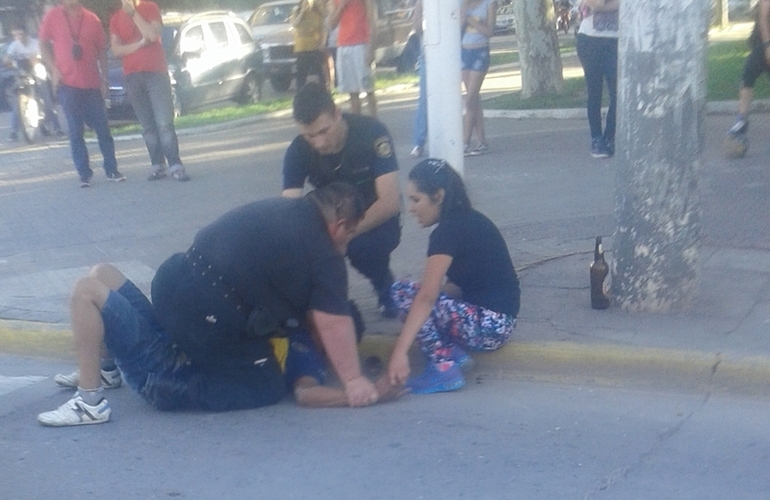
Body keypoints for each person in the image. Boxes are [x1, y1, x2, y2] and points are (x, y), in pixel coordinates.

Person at [38, 183, 403, 426]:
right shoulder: (321, 253)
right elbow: (333, 322)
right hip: (192, 329)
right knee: (262, 387)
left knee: (103, 271)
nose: (348, 243)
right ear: (340, 224)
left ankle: (107, 368)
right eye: (351, 232)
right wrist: (355, 383)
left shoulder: (284, 211)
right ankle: (91, 400)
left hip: (174, 284)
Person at [386, 158, 520, 394]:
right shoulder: (471, 220)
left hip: (487, 325)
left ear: (438, 196)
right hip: (500, 324)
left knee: (402, 292)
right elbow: (455, 287)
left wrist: (399, 351)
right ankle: (452, 354)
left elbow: (427, 297)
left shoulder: (446, 232)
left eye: (416, 199)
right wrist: (416, 320)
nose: (411, 208)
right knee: (417, 298)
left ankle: (443, 367)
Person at [283, 83, 401, 319]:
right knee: (300, 252)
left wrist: (346, 233)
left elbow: (390, 202)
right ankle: (324, 308)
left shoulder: (372, 133)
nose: (318, 143)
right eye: (309, 135)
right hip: (331, 219)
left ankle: (384, 285)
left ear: (337, 114)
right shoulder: (298, 150)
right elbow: (288, 209)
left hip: (374, 215)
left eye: (324, 131)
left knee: (362, 250)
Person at [39, 0, 125, 187]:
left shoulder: (91, 19)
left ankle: (111, 170)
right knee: (75, 131)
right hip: (67, 84)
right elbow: (43, 43)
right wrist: (53, 68)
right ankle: (84, 174)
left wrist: (104, 79)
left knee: (103, 129)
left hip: (92, 85)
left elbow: (102, 49)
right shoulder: (53, 16)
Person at [110, 0, 189, 182]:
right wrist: (139, 44)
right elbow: (116, 50)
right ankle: (157, 165)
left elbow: (152, 35)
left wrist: (133, 14)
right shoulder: (115, 18)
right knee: (147, 126)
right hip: (132, 76)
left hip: (155, 73)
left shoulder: (150, 8)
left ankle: (175, 165)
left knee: (164, 123)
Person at [575, 0, 619, 159]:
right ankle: (596, 139)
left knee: (618, 94)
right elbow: (597, 4)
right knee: (594, 91)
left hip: (615, 41)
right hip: (589, 40)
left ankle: (609, 137)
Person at [726, 0, 770, 144]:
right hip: (762, 44)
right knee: (747, 78)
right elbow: (763, 19)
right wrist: (767, 46)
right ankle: (741, 122)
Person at [329, 0, 378, 117]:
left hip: (361, 44)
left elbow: (372, 20)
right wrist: (342, 5)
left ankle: (375, 124)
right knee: (352, 92)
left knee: (368, 89)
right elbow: (331, 24)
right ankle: (358, 124)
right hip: (343, 46)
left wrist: (371, 48)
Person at [461, 0, 497, 156]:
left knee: (469, 100)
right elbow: (457, 26)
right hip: (464, 52)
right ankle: (482, 141)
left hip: (480, 52)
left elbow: (489, 31)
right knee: (474, 100)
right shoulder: (463, 4)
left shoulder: (489, 3)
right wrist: (465, 15)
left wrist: (471, 21)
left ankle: (465, 141)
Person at [291, 0, 328, 90]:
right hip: (301, 49)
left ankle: (322, 93)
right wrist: (302, 12)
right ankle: (300, 95)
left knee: (319, 74)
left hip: (314, 48)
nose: (307, 3)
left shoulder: (316, 13)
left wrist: (322, 43)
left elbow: (323, 29)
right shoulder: (296, 12)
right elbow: (294, 24)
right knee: (301, 75)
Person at [410, 0, 427, 159]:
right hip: (427, 52)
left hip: (452, 52)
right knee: (425, 99)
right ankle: (419, 142)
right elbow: (416, 25)